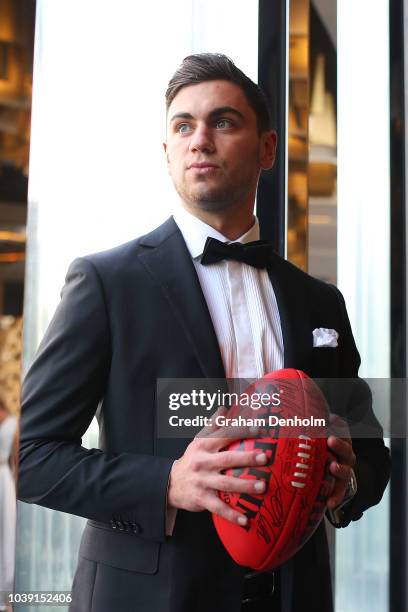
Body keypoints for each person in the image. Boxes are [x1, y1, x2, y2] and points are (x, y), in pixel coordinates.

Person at [18, 53, 390, 612]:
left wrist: (346, 481)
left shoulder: (321, 302)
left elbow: (371, 453)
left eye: (223, 121)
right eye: (183, 126)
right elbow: (31, 456)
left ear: (267, 148)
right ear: (167, 152)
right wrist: (168, 482)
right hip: (146, 597)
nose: (200, 140)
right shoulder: (105, 282)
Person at [0, 398, 18, 612]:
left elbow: (17, 459)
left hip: (4, 481)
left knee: (6, 533)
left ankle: (5, 595)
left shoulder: (13, 423)